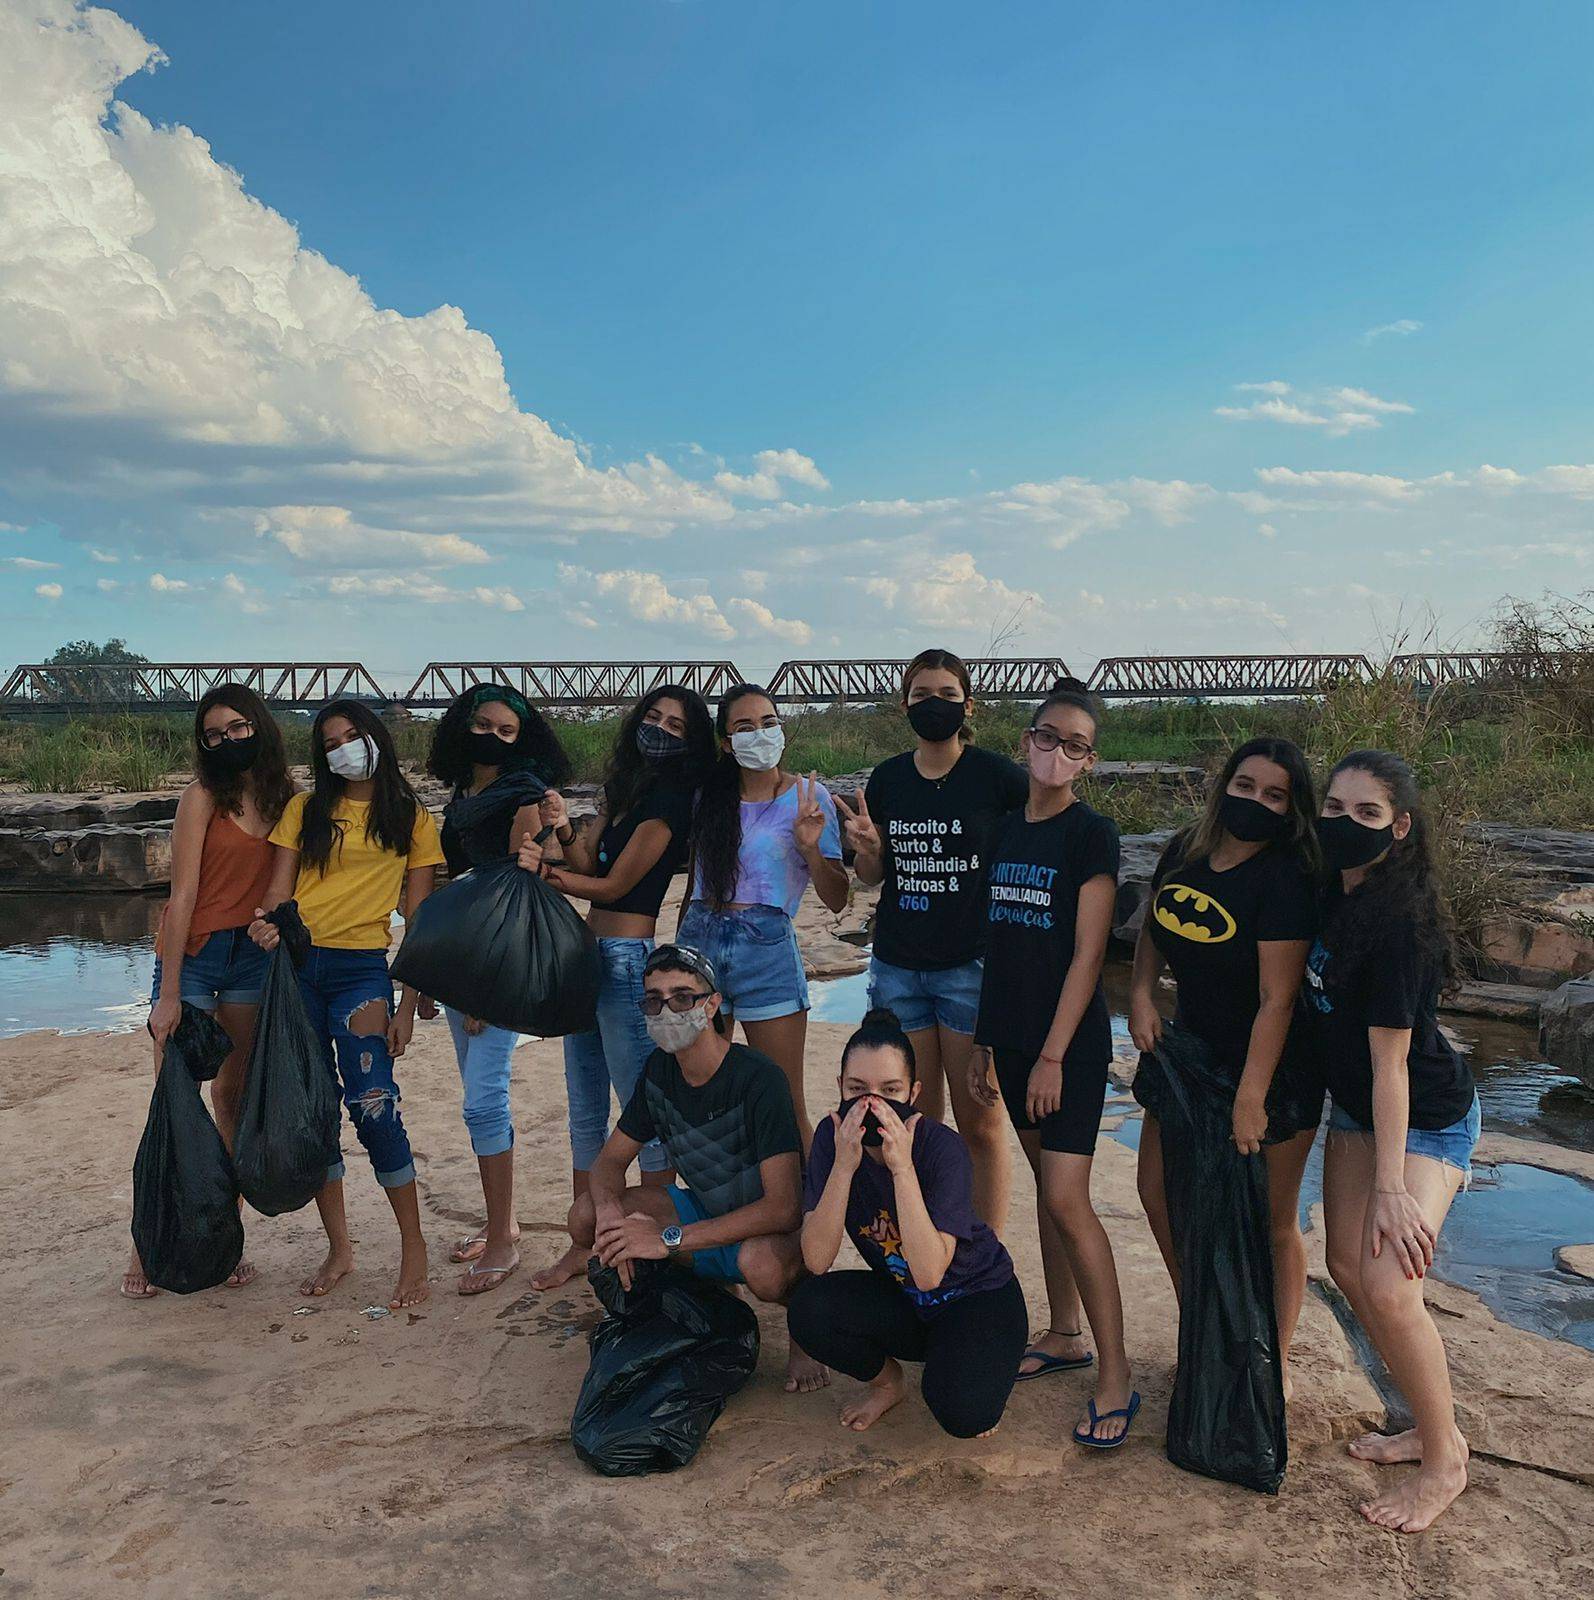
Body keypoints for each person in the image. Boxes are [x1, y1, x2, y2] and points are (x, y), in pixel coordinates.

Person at [1307, 750, 1478, 1533]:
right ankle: (1422, 1421)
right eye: (1334, 809)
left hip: (1425, 1114)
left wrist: (1392, 1188)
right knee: (1344, 1263)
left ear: (1400, 827)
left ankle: (1446, 1461)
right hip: (1355, 1111)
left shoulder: (1399, 924)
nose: (1345, 824)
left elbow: (1393, 1063)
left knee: (1385, 1283)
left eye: (1367, 814)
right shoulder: (1328, 894)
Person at [971, 680, 1138, 1447]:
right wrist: (983, 1040)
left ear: (1088, 761)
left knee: (1069, 1198)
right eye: (1046, 736)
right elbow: (1000, 948)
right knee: (1046, 1189)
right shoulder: (1006, 830)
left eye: (1074, 744)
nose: (1057, 752)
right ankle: (1064, 1332)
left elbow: (1087, 953)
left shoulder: (1089, 835)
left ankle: (1117, 1376)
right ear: (1025, 742)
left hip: (1063, 1047)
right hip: (1007, 1038)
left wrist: (1050, 1056)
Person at [1128, 738, 1321, 1394]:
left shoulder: (1286, 875)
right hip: (1191, 1052)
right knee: (1157, 1192)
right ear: (1224, 786)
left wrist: (1251, 1096)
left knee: (1271, 1222)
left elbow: (1279, 998)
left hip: (1275, 1066)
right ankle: (1205, 1330)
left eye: (1274, 795)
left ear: (1292, 808)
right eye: (1246, 786)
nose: (1256, 802)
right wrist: (1141, 992)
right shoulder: (1184, 848)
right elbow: (1156, 926)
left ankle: (1274, 1362)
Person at [557, 943, 828, 1393]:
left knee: (759, 1264)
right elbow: (608, 1164)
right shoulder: (660, 1072)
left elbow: (784, 1207)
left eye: (683, 997)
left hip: (774, 1231)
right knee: (585, 1216)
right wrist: (609, 1216)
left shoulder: (758, 1078)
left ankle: (802, 1312)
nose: (667, 1010)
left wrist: (668, 1239)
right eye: (654, 1000)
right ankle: (716, 1293)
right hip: (707, 1212)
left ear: (713, 1004)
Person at [250, 699, 445, 1310]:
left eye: (352, 735)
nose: (342, 748)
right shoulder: (305, 810)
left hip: (362, 970)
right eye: (330, 741)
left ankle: (413, 1246)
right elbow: (278, 892)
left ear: (375, 737)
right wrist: (267, 927)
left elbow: (418, 921)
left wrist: (410, 1004)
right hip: (299, 969)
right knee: (315, 1109)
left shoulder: (410, 817)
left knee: (374, 1104)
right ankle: (340, 1247)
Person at [526, 685, 716, 1291]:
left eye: (676, 726)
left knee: (642, 1111)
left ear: (692, 743)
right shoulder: (626, 792)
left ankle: (653, 1238)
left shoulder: (668, 806)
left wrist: (547, 876)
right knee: (583, 1107)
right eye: (653, 718)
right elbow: (587, 862)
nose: (659, 730)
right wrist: (560, 831)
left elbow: (613, 888)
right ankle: (585, 1241)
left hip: (627, 959)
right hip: (587, 958)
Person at [838, 648, 1025, 1234]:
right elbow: (873, 876)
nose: (934, 706)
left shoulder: (997, 777)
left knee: (980, 1125)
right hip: (898, 968)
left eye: (947, 695)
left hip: (971, 968)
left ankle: (983, 1256)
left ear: (968, 705)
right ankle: (926, 1251)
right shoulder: (889, 780)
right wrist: (868, 848)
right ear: (904, 705)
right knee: (910, 1123)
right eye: (922, 695)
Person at [121, 684, 297, 1299]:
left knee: (231, 1099)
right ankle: (148, 1246)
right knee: (173, 1098)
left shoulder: (285, 801)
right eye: (214, 734)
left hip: (251, 960)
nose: (227, 741)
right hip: (192, 956)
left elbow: (286, 887)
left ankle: (221, 1239)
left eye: (237, 728)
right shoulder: (201, 798)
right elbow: (183, 896)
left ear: (260, 728)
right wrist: (168, 994)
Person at [788, 1009, 1028, 1438]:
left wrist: (902, 1170)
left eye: (890, 1090)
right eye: (857, 1089)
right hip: (908, 1299)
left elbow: (930, 1271)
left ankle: (973, 1364)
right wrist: (843, 1169)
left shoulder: (942, 1148)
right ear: (840, 1088)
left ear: (914, 1092)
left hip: (976, 1294)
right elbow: (816, 1259)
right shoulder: (833, 1138)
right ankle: (888, 1384)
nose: (872, 1105)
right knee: (810, 1309)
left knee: (963, 1413)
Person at [426, 684, 569, 1294]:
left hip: (497, 960)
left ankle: (506, 1242)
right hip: (459, 954)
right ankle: (500, 1219)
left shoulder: (522, 794)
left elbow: (523, 889)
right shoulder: (463, 792)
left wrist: (487, 986)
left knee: (482, 1100)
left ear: (522, 738)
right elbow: (443, 879)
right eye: (484, 723)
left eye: (507, 730)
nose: (493, 735)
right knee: (478, 1090)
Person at [679, 683, 848, 1147]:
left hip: (766, 949)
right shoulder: (707, 799)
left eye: (769, 722)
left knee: (783, 1098)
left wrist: (811, 850)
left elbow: (836, 898)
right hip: (701, 944)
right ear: (726, 743)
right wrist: (678, 958)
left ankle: (811, 1213)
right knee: (702, 1090)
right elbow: (695, 884)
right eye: (745, 726)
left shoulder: (811, 799)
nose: (760, 733)